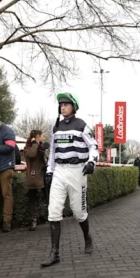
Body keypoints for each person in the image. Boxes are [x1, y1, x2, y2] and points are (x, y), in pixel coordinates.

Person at [41, 92, 99, 268]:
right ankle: (54, 253)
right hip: (60, 170)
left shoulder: (82, 125)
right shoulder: (56, 127)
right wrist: (50, 171)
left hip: (77, 171)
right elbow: (52, 151)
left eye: (66, 104)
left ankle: (87, 238)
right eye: (61, 104)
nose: (62, 107)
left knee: (78, 212)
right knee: (53, 212)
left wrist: (91, 162)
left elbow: (93, 146)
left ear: (73, 106)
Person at [23, 129, 47, 231]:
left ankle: (52, 217)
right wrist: (34, 143)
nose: (43, 137)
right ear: (37, 136)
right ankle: (33, 219)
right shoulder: (29, 147)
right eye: (42, 135)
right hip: (33, 176)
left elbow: (43, 159)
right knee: (33, 199)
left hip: (43, 175)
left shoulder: (40, 146)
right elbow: (32, 155)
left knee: (48, 197)